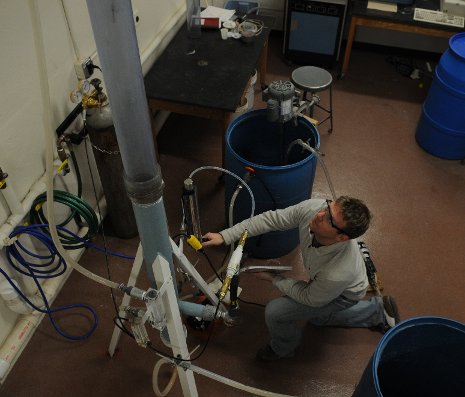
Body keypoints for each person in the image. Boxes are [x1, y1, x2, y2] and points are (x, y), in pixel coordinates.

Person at [202, 196, 400, 361]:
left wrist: (274, 279)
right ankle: (377, 311)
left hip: (344, 294)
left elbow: (310, 298)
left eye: (329, 219)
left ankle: (283, 348)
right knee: (319, 318)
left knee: (276, 312)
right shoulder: (315, 209)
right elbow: (272, 219)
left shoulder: (338, 271)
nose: (319, 215)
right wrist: (226, 235)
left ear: (342, 238)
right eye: (327, 207)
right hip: (323, 285)